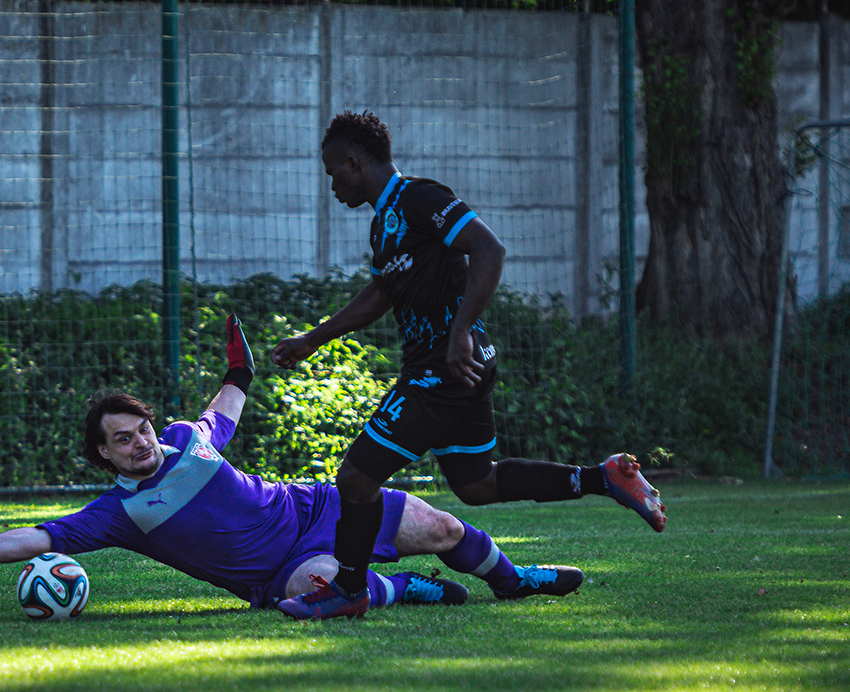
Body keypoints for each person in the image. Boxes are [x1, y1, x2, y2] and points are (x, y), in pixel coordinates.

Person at [0, 315, 585, 615]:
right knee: (316, 594)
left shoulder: (183, 438)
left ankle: (515, 579)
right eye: (122, 439)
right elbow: (44, 537)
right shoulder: (121, 512)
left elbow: (224, 406)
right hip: (278, 571)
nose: (139, 440)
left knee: (443, 525)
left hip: (316, 506)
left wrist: (240, 366)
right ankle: (407, 589)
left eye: (138, 426)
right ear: (103, 456)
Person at [270, 109, 665, 621]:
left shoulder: (419, 197)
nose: (331, 185)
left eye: (332, 173)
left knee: (355, 479)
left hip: (442, 368)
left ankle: (348, 589)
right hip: (457, 368)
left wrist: (458, 332)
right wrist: (313, 339)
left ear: (354, 161)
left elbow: (489, 248)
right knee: (477, 484)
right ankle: (603, 478)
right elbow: (381, 294)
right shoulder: (383, 226)